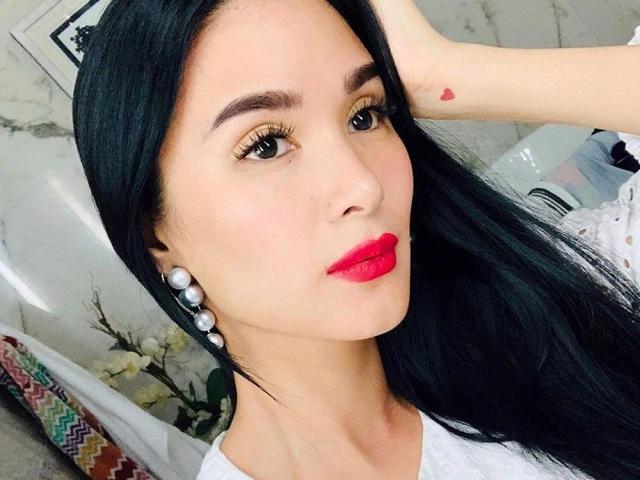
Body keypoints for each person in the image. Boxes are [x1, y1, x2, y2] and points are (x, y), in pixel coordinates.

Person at [71, 0, 640, 478]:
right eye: (266, 145)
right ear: (155, 233)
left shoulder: (541, 315)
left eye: (365, 115)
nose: (363, 186)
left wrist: (445, 74)